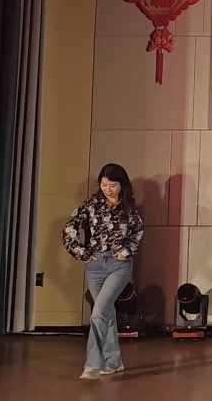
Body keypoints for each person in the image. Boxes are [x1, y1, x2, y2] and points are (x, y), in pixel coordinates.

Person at [62, 163, 145, 380]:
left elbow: (137, 231)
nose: (108, 189)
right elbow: (69, 230)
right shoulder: (91, 205)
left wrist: (125, 252)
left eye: (113, 185)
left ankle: (92, 364)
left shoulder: (129, 208)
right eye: (104, 184)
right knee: (106, 313)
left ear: (122, 185)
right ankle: (114, 361)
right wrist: (82, 253)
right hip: (94, 266)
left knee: (98, 311)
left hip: (119, 266)